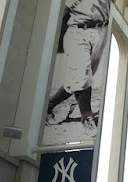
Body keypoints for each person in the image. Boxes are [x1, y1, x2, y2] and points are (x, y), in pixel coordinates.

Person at [46, 0, 111, 137]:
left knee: (80, 79)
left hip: (101, 31)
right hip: (79, 30)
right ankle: (87, 116)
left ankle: (49, 104)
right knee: (81, 75)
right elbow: (63, 10)